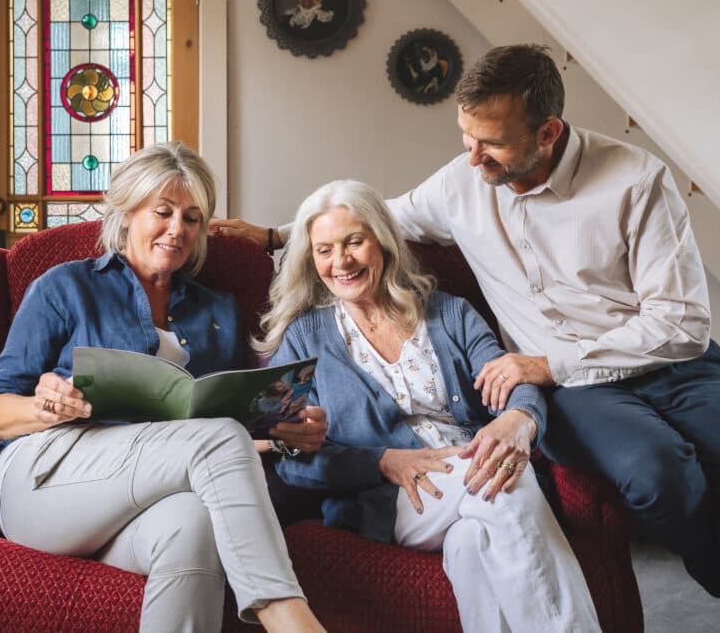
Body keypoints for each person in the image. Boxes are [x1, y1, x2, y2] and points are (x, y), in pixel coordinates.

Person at [210, 45, 720, 631]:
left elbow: (681, 324)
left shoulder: (635, 180)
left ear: (546, 133)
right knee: (646, 474)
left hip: (666, 368)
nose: (470, 159)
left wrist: (533, 387)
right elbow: (371, 221)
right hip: (566, 399)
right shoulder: (454, 191)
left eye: (488, 143)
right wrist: (274, 235)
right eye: (465, 138)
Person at [0, 142, 327, 633]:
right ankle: (287, 617)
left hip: (149, 501)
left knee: (195, 525)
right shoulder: (65, 287)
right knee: (217, 436)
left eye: (192, 218)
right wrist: (47, 407)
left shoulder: (218, 310)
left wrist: (283, 432)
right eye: (163, 212)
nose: (177, 229)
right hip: (45, 483)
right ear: (127, 210)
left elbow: (228, 434)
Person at [256, 179, 601, 633]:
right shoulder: (304, 337)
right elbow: (289, 457)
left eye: (354, 242)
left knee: (472, 543)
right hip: (391, 500)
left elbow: (512, 375)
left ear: (382, 239)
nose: (340, 262)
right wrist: (381, 461)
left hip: (468, 469)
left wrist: (519, 418)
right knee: (503, 483)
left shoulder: (449, 312)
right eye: (324, 250)